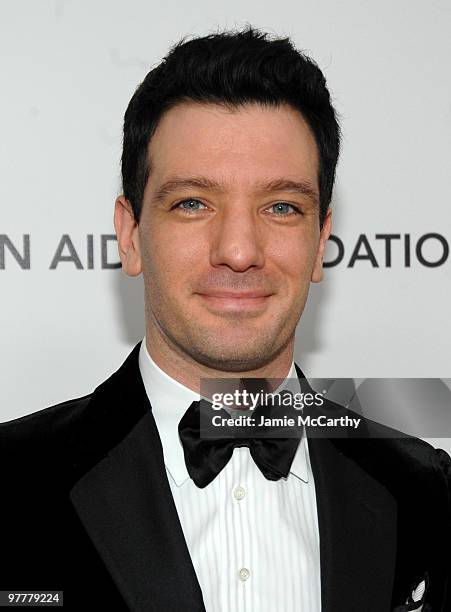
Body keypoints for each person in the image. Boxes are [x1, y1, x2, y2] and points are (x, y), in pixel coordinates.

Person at [1, 28, 449, 612]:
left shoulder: (425, 492)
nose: (238, 250)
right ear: (130, 234)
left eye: (281, 206)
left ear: (320, 244)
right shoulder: (11, 485)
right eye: (193, 203)